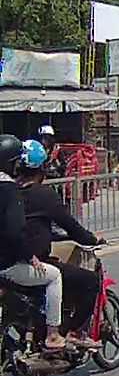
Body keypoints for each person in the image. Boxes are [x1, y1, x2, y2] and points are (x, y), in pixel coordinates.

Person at [16, 140, 105, 350]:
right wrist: (92, 239)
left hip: (12, 262)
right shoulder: (45, 195)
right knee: (90, 281)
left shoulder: (10, 194)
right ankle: (72, 332)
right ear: (42, 168)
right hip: (32, 264)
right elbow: (70, 226)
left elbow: (33, 227)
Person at [0, 135, 66, 351]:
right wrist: (30, 256)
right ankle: (53, 335)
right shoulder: (10, 191)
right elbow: (15, 232)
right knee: (54, 276)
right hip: (6, 265)